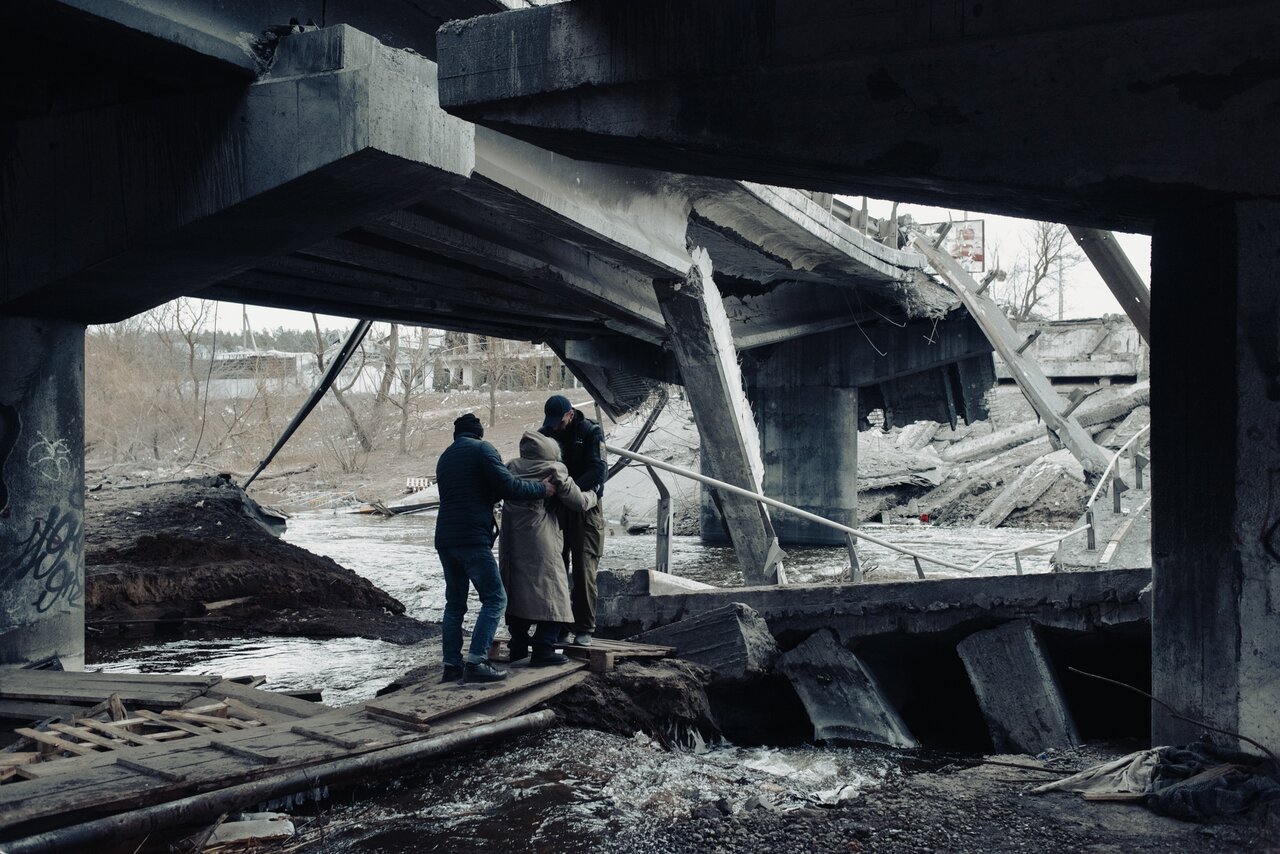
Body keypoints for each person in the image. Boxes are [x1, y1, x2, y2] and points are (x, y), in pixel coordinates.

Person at [434, 413, 553, 684]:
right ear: (479, 433)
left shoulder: (446, 457)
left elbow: (475, 491)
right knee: (495, 598)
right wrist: (540, 489)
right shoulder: (482, 450)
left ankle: (452, 665)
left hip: (445, 538)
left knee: (455, 604)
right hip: (472, 537)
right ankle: (477, 661)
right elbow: (508, 485)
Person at [499, 431, 598, 665]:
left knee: (517, 590)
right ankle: (544, 647)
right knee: (554, 591)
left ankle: (519, 645)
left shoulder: (511, 467)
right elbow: (578, 502)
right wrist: (594, 494)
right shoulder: (554, 470)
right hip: (540, 537)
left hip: (511, 538)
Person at [540, 394, 606, 646]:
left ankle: (584, 628)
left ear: (570, 414)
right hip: (557, 508)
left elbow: (599, 470)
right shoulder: (545, 432)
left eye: (559, 421)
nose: (555, 426)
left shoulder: (590, 432)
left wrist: (569, 489)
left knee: (583, 568)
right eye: (551, 422)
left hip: (585, 508)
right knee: (554, 567)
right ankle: (559, 626)